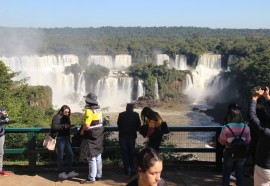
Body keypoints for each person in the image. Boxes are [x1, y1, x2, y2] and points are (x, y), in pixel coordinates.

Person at [218, 103, 251, 186]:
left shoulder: (226, 127)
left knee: (226, 175)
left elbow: (222, 141)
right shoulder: (246, 127)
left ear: (229, 115)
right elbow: (248, 141)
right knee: (239, 175)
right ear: (240, 115)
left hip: (229, 152)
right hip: (241, 153)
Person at [79, 93, 104, 184]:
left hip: (91, 135)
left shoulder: (89, 111)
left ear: (88, 101)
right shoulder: (98, 109)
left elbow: (86, 126)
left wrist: (81, 131)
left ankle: (91, 177)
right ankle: (99, 175)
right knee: (98, 155)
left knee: (91, 156)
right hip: (99, 134)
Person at [51, 105, 79, 179]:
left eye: (68, 112)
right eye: (65, 112)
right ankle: (61, 172)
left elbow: (67, 127)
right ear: (62, 111)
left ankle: (69, 171)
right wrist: (64, 126)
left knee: (70, 154)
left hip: (66, 139)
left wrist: (71, 127)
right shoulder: (57, 117)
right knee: (60, 156)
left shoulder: (67, 117)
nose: (67, 113)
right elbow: (54, 127)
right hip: (60, 139)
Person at [249, 86, 270, 185]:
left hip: (264, 169)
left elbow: (252, 116)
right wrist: (268, 98)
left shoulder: (265, 132)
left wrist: (254, 98)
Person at [117, 103, 141, 177]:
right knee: (131, 152)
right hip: (132, 136)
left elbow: (119, 125)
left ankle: (126, 170)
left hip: (123, 136)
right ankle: (132, 169)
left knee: (124, 153)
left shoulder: (121, 114)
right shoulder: (136, 115)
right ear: (133, 108)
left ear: (126, 108)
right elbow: (138, 125)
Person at [0, 107, 11, 176]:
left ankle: (0, 169)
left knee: (1, 152)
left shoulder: (1, 109)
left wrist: (4, 115)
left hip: (1, 135)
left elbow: (7, 120)